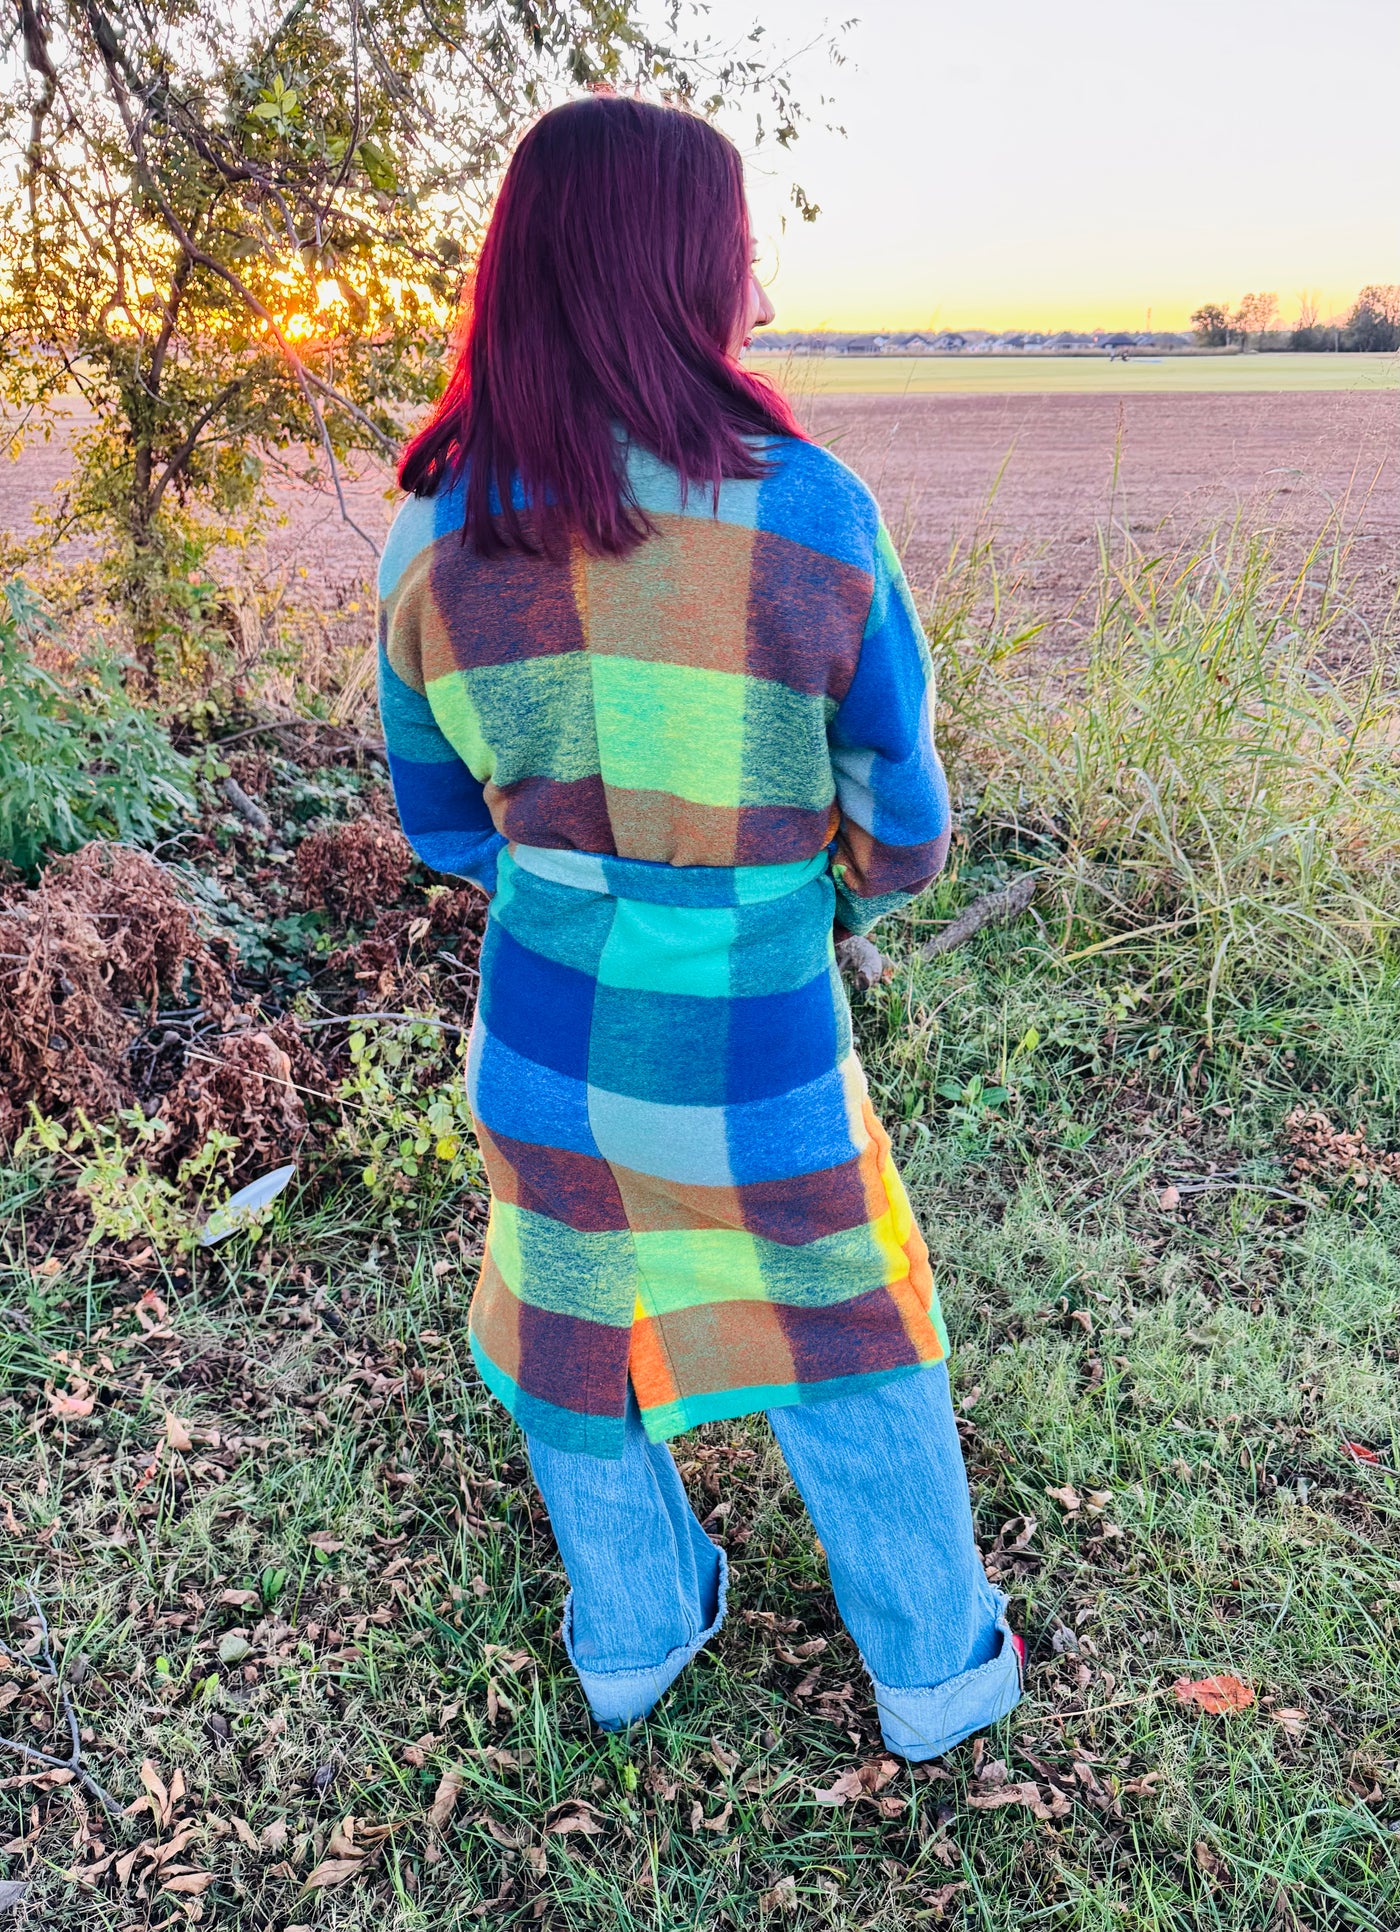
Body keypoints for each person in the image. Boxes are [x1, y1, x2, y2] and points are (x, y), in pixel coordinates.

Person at [377, 92, 1023, 1761]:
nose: (755, 288)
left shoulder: (434, 527)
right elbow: (905, 819)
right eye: (742, 256)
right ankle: (938, 1677)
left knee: (573, 1338)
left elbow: (441, 824)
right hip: (756, 1040)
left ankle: (636, 1641)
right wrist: (844, 886)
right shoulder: (809, 512)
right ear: (690, 274)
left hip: (542, 1038)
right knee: (855, 1337)